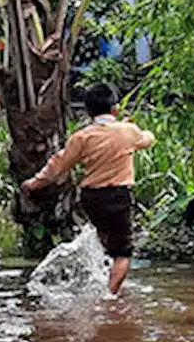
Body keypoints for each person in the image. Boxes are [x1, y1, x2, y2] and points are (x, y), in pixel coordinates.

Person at [21, 83, 154, 295]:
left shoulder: (82, 137)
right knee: (123, 253)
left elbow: (58, 164)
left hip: (91, 199)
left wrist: (34, 183)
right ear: (115, 109)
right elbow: (148, 139)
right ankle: (108, 298)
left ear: (88, 112)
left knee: (105, 240)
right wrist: (135, 128)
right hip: (117, 195)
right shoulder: (128, 132)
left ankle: (102, 277)